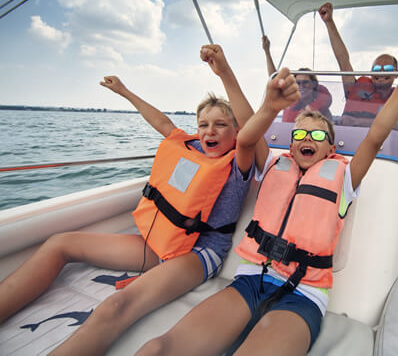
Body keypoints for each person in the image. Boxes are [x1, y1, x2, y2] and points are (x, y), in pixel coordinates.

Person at [135, 44, 398, 356]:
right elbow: (247, 128)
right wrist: (225, 71)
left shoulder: (345, 177)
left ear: (331, 149)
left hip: (304, 295)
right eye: (300, 135)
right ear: (290, 147)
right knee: (159, 349)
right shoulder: (271, 166)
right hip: (250, 281)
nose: (307, 139)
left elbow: (376, 135)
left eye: (318, 135)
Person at [0, 44, 267, 356]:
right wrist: (125, 91)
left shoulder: (239, 163)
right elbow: (162, 123)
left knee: (114, 307)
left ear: (235, 132)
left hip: (198, 252)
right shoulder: (190, 147)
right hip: (162, 242)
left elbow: (251, 131)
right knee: (60, 243)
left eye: (221, 124)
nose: (210, 131)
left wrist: (224, 73)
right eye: (204, 124)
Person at [318, 2, 398, 130]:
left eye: (387, 69)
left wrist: (352, 121)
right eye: (376, 69)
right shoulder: (355, 87)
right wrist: (329, 22)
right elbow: (343, 60)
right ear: (371, 73)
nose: (381, 72)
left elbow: (397, 125)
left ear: (397, 73)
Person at [262, 35, 333, 122]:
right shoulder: (289, 98)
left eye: (305, 82)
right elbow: (274, 79)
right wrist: (267, 52)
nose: (301, 86)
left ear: (314, 84)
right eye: (298, 83)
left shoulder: (322, 105)